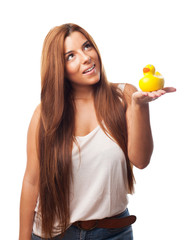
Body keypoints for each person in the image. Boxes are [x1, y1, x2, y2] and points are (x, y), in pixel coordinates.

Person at [19, 23, 176, 240]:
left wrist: (141, 106)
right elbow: (31, 182)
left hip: (113, 231)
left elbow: (141, 160)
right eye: (70, 56)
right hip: (54, 234)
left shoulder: (124, 96)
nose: (86, 57)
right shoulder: (44, 115)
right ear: (58, 68)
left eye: (87, 46)